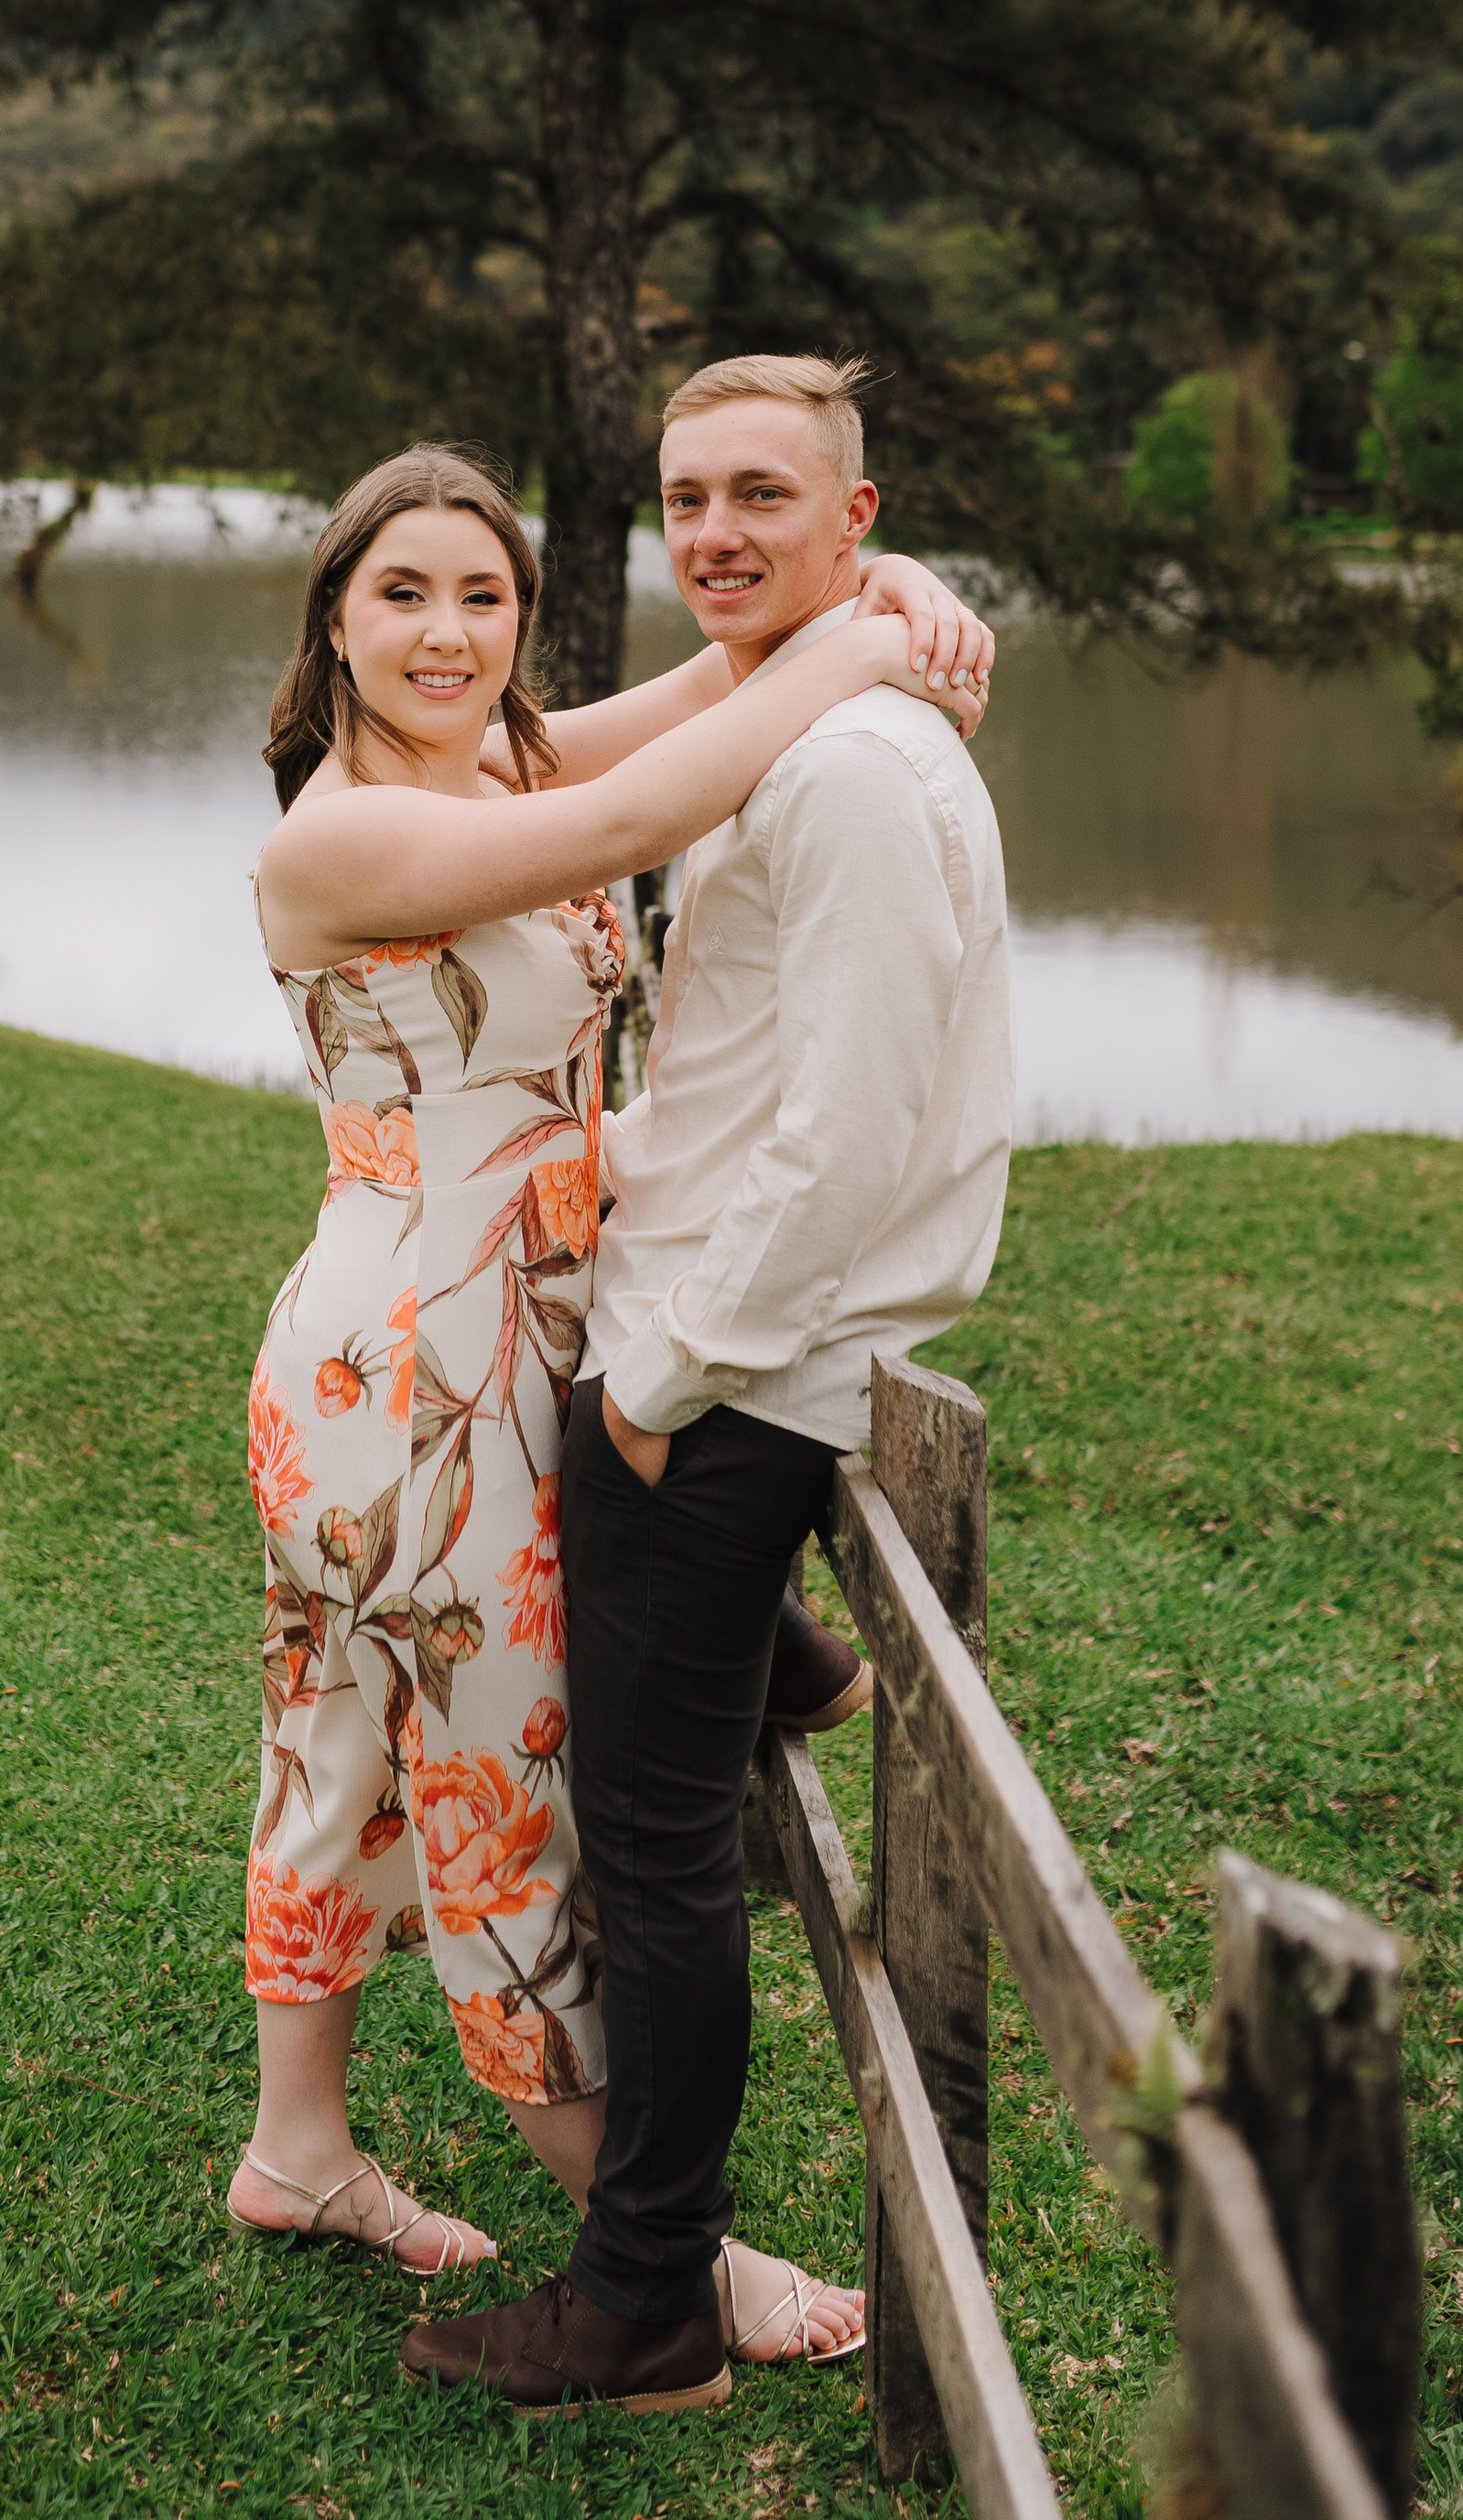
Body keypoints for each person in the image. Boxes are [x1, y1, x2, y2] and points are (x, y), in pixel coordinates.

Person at [225, 441, 991, 2376]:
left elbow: (723, 682)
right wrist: (875, 645)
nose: (445, 632)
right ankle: (660, 2254)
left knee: (336, 1732)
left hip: (475, 1329)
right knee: (498, 1802)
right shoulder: (337, 835)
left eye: (482, 598)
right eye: (401, 594)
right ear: (332, 617)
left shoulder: (493, 759)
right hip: (413, 1375)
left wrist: (887, 602)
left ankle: (296, 2148)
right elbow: (663, 795)